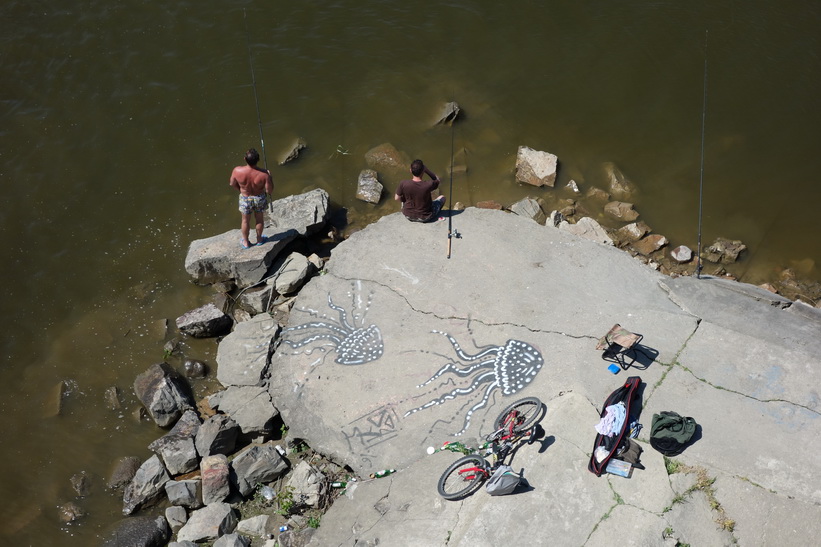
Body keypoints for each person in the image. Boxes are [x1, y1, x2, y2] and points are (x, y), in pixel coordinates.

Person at [230, 148, 273, 249]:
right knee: (259, 219)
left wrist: (241, 191)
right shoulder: (264, 174)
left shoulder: (237, 170)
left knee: (245, 221)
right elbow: (269, 191)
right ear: (258, 160)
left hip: (245, 197)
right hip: (259, 198)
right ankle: (259, 239)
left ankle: (245, 242)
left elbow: (232, 183)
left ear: (245, 159)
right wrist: (270, 177)